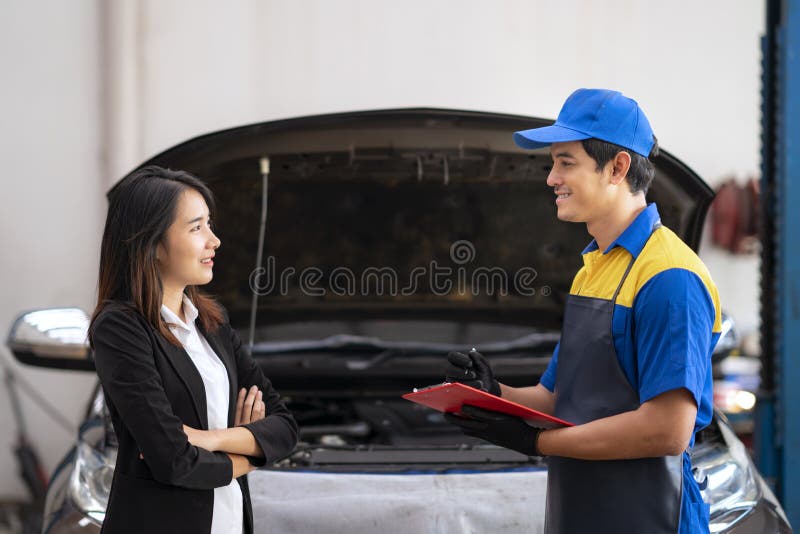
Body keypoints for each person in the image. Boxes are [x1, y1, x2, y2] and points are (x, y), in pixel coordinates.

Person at [444, 88, 720, 534]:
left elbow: (667, 429)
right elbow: (558, 398)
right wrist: (494, 393)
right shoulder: (594, 268)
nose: (551, 178)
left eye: (565, 162)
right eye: (552, 163)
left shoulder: (669, 277)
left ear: (618, 167)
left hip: (650, 517)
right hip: (583, 511)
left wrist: (537, 442)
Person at [88, 166, 298, 534]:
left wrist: (210, 439)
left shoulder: (212, 325)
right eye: (196, 227)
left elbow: (285, 427)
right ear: (152, 244)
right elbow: (174, 461)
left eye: (209, 224)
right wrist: (250, 453)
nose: (214, 240)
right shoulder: (120, 328)